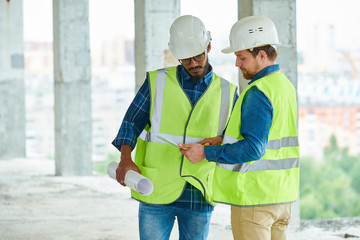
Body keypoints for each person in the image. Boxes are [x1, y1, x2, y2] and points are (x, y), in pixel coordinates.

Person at [111, 15, 238, 240]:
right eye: (185, 59)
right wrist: (125, 158)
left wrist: (216, 142)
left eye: (198, 56)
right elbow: (131, 123)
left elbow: (234, 139)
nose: (193, 63)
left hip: (199, 189)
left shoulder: (228, 92)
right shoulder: (157, 82)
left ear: (208, 46)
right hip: (156, 187)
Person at [179, 15, 299, 240]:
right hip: (282, 197)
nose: (237, 64)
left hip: (256, 200)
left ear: (261, 55)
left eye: (241, 57)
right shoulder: (284, 86)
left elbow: (254, 149)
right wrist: (221, 140)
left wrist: (206, 152)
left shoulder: (258, 91)